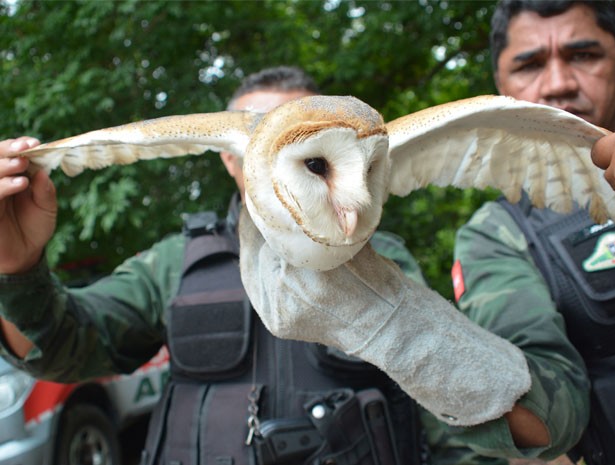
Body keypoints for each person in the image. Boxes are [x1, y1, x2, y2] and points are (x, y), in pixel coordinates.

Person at [1, 65, 532, 465]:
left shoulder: (383, 258)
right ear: (232, 156)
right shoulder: (177, 261)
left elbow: (438, 405)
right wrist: (15, 268)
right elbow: (71, 347)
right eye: (291, 146)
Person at [443, 1, 615, 464]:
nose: (559, 82)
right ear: (503, 88)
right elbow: (550, 420)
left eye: (584, 55)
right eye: (530, 64)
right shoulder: (495, 235)